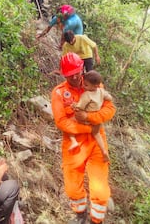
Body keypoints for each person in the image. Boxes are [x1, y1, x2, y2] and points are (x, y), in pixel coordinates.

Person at [51, 52, 116, 224]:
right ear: (63, 74)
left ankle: (96, 220)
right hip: (74, 144)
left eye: (76, 72)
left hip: (96, 142)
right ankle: (80, 214)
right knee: (72, 188)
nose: (74, 76)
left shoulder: (95, 84)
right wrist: (86, 128)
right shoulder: (59, 93)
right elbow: (61, 121)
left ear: (82, 69)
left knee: (100, 191)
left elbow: (110, 110)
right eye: (69, 74)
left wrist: (89, 118)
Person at [69, 70, 112, 163]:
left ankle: (73, 141)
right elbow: (109, 97)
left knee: (69, 122)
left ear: (95, 86)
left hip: (86, 119)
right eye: (83, 84)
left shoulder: (86, 95)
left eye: (86, 85)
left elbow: (80, 107)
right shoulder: (101, 91)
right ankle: (104, 151)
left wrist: (73, 106)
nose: (83, 86)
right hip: (97, 120)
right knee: (97, 134)